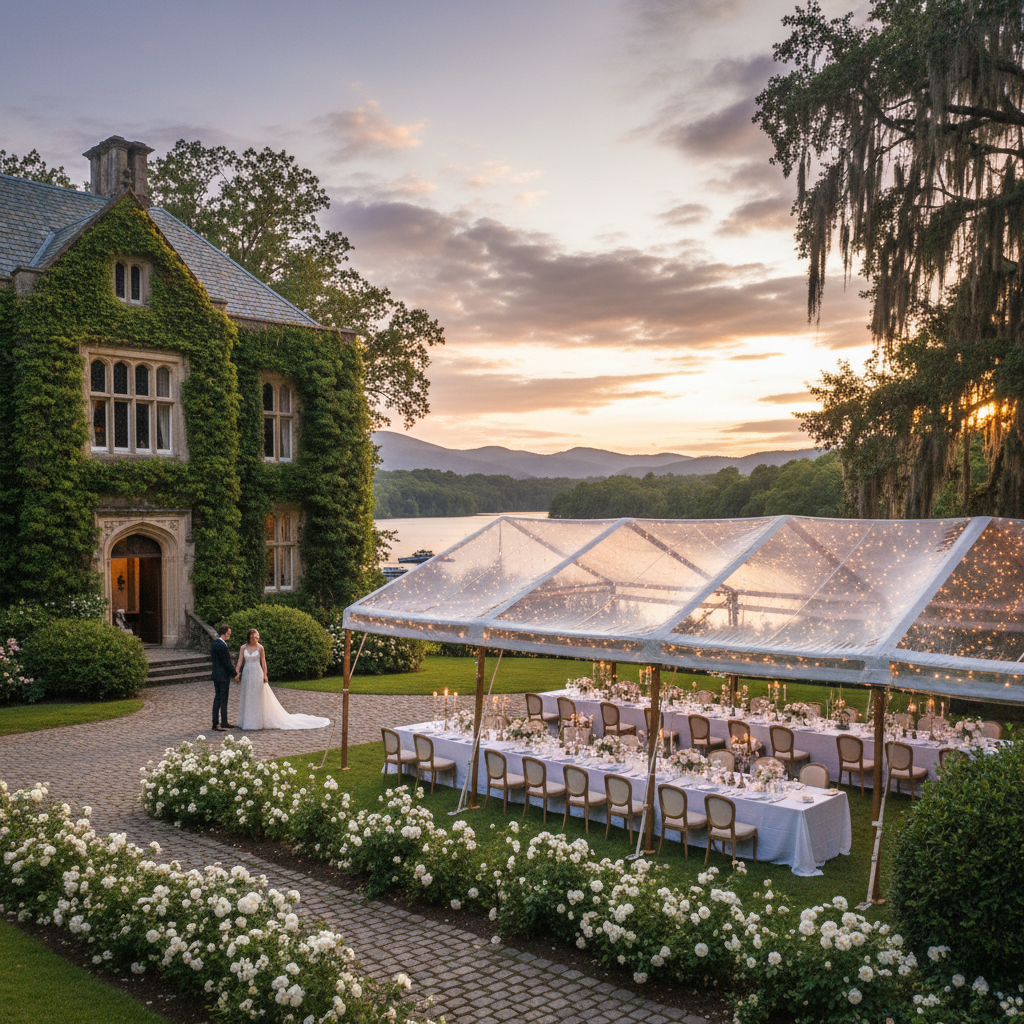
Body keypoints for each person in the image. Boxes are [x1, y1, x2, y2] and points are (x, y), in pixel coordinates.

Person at [235, 628, 329, 731]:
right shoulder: (243, 648)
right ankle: (246, 720)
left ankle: (256, 722)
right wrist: (237, 672)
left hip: (257, 672)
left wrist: (265, 675)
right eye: (252, 637)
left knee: (257, 696)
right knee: (248, 695)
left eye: (255, 637)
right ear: (249, 637)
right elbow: (240, 660)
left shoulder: (260, 648)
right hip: (247, 672)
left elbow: (263, 662)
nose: (254, 639)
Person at [210, 623, 237, 732]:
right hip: (222, 676)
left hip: (216, 675)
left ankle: (221, 721)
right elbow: (227, 662)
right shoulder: (222, 645)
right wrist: (235, 674)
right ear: (225, 633)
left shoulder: (214, 643)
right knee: (222, 699)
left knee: (218, 698)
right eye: (229, 633)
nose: (229, 635)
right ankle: (219, 723)